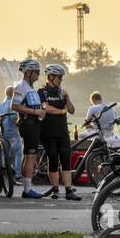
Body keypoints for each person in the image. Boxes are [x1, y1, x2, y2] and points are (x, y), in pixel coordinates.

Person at [37, 63, 80, 200]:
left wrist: (67, 98)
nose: (61, 80)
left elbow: (72, 110)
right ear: (50, 77)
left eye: (61, 78)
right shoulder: (42, 92)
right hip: (48, 132)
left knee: (66, 160)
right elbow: (46, 108)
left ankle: (68, 190)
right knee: (53, 159)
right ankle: (55, 189)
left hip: (62, 131)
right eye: (59, 77)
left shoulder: (62, 91)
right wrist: (61, 111)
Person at [11, 58, 46, 199]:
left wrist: (41, 110)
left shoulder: (31, 88)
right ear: (28, 72)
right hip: (28, 124)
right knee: (30, 156)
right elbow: (14, 106)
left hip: (34, 124)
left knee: (30, 156)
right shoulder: (21, 86)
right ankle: (27, 189)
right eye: (36, 72)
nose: (38, 74)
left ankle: (28, 188)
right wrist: (35, 112)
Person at [0, 85, 23, 183]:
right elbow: (13, 118)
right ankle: (18, 175)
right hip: (13, 132)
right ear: (14, 94)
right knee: (18, 153)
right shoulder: (13, 104)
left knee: (5, 154)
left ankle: (4, 174)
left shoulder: (0, 105)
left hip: (2, 133)